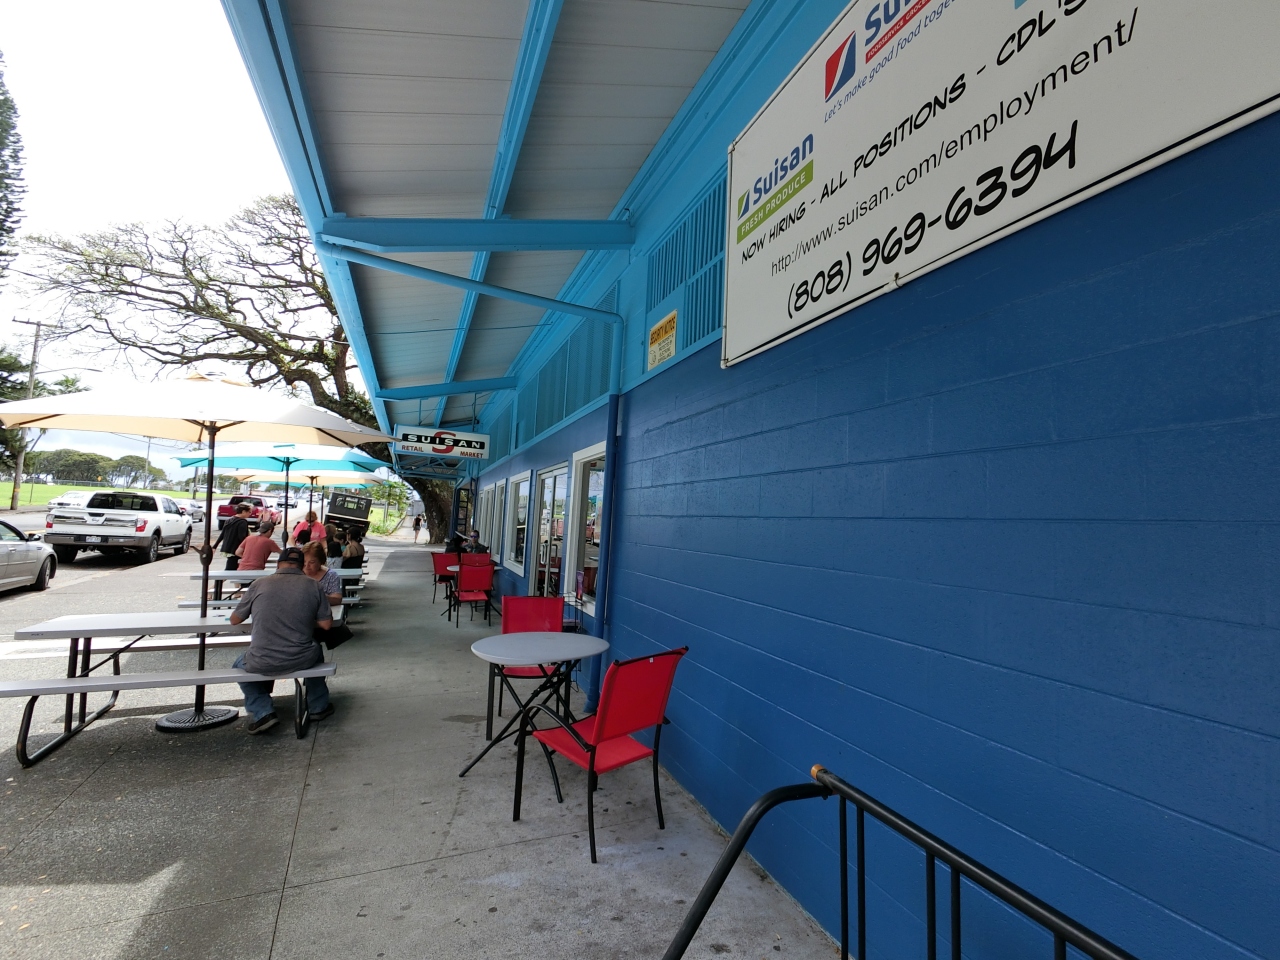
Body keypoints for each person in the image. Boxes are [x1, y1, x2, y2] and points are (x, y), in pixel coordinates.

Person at [229, 547, 334, 734]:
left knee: (238, 665)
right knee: (316, 649)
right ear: (302, 566)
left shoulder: (258, 584)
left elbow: (235, 619)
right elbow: (326, 625)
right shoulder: (314, 585)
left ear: (278, 564)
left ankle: (262, 712)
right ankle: (318, 706)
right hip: (301, 657)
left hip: (261, 659)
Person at [212, 502, 253, 570]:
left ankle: (225, 576)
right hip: (237, 549)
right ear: (243, 511)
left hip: (228, 548)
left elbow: (223, 534)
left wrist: (214, 546)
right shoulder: (242, 522)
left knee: (232, 565)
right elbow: (242, 537)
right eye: (249, 512)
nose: (250, 514)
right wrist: (249, 546)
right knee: (232, 568)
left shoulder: (229, 520)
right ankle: (223, 577)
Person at [303, 541, 344, 605]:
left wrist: (318, 596)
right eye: (304, 561)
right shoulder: (296, 573)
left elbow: (337, 599)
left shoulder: (331, 576)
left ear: (321, 561)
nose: (307, 565)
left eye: (312, 562)